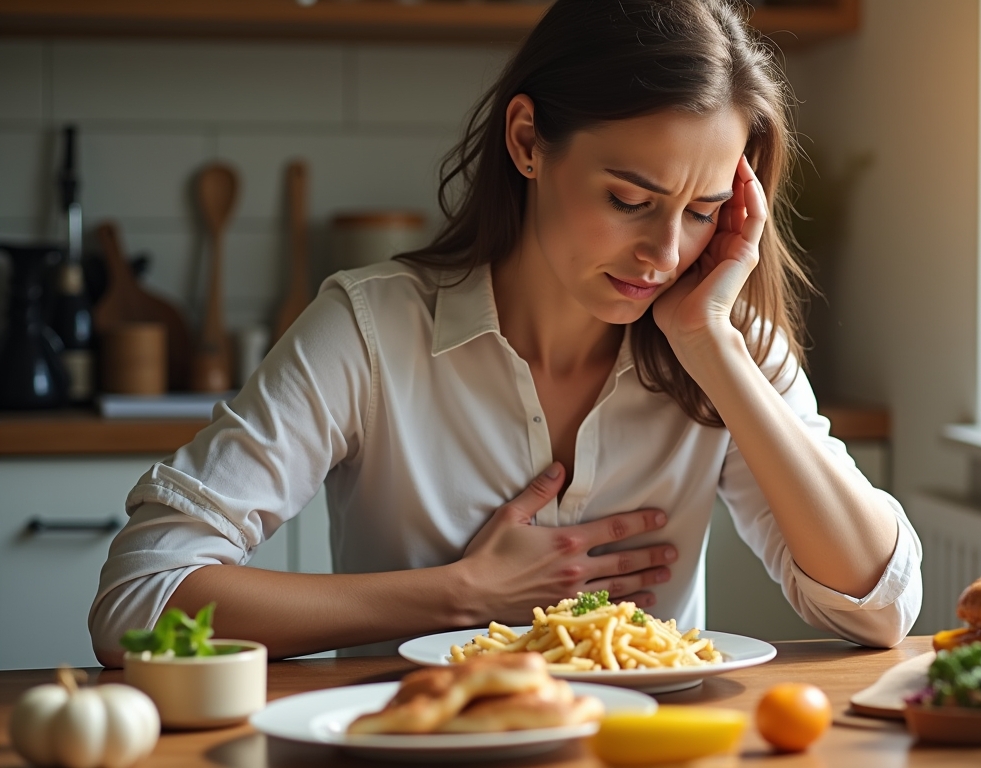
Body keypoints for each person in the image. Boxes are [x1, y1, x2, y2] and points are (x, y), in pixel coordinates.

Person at [88, 0, 923, 667]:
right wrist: (458, 593)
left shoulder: (727, 344)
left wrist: (711, 348)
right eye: (630, 200)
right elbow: (137, 600)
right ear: (527, 140)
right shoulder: (371, 331)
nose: (665, 253)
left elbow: (881, 608)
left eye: (702, 212)